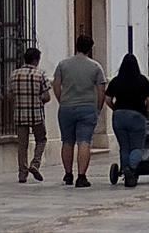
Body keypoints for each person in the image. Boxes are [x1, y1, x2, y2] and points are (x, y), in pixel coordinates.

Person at [52, 34, 106, 187]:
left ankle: (68, 174)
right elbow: (101, 90)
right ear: (90, 48)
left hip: (66, 108)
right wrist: (98, 108)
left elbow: (56, 85)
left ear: (76, 46)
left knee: (67, 142)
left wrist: (62, 100)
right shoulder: (95, 67)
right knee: (84, 142)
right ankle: (81, 176)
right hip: (87, 108)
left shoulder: (62, 65)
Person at [104, 53, 149, 188]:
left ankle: (125, 166)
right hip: (137, 116)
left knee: (124, 146)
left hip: (119, 116)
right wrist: (147, 110)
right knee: (137, 146)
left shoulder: (116, 81)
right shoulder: (142, 80)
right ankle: (131, 168)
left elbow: (108, 99)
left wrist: (115, 108)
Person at [9, 47, 50, 184]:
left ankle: (22, 174)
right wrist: (40, 100)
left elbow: (10, 94)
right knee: (41, 139)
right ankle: (35, 164)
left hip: (20, 115)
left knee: (22, 145)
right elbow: (46, 96)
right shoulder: (40, 75)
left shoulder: (14, 75)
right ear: (36, 60)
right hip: (36, 114)